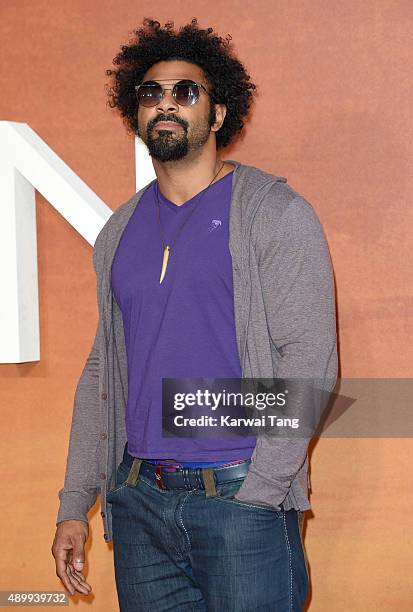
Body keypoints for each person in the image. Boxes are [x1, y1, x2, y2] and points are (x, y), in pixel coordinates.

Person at [52, 17, 337, 611]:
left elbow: (310, 365)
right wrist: (75, 504)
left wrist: (260, 489)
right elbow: (103, 374)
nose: (166, 104)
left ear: (220, 113)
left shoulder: (274, 214)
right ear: (134, 111)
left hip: (240, 500)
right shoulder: (117, 232)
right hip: (137, 506)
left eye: (186, 91)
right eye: (151, 92)